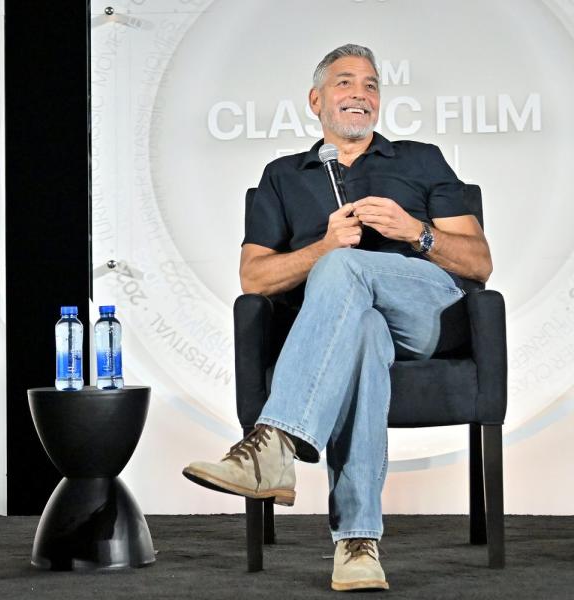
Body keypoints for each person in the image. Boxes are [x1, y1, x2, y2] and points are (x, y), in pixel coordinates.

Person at [183, 43, 492, 592]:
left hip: (425, 314)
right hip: (345, 331)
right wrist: (320, 249)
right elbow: (254, 279)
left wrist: (413, 232)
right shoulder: (283, 176)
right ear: (316, 99)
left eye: (371, 85)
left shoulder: (422, 159)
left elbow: (478, 263)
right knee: (362, 328)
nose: (361, 94)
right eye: (346, 83)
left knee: (348, 268)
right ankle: (357, 543)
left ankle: (274, 443)